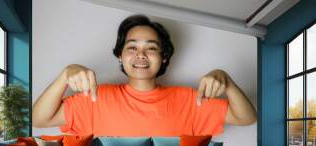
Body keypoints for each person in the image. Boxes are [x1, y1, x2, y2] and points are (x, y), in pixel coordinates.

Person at [32, 14, 257, 137]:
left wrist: (226, 81)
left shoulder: (189, 100)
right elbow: (40, 119)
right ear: (120, 56)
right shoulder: (94, 97)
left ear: (164, 57)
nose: (140, 55)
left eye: (151, 48)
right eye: (131, 47)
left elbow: (247, 117)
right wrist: (64, 75)